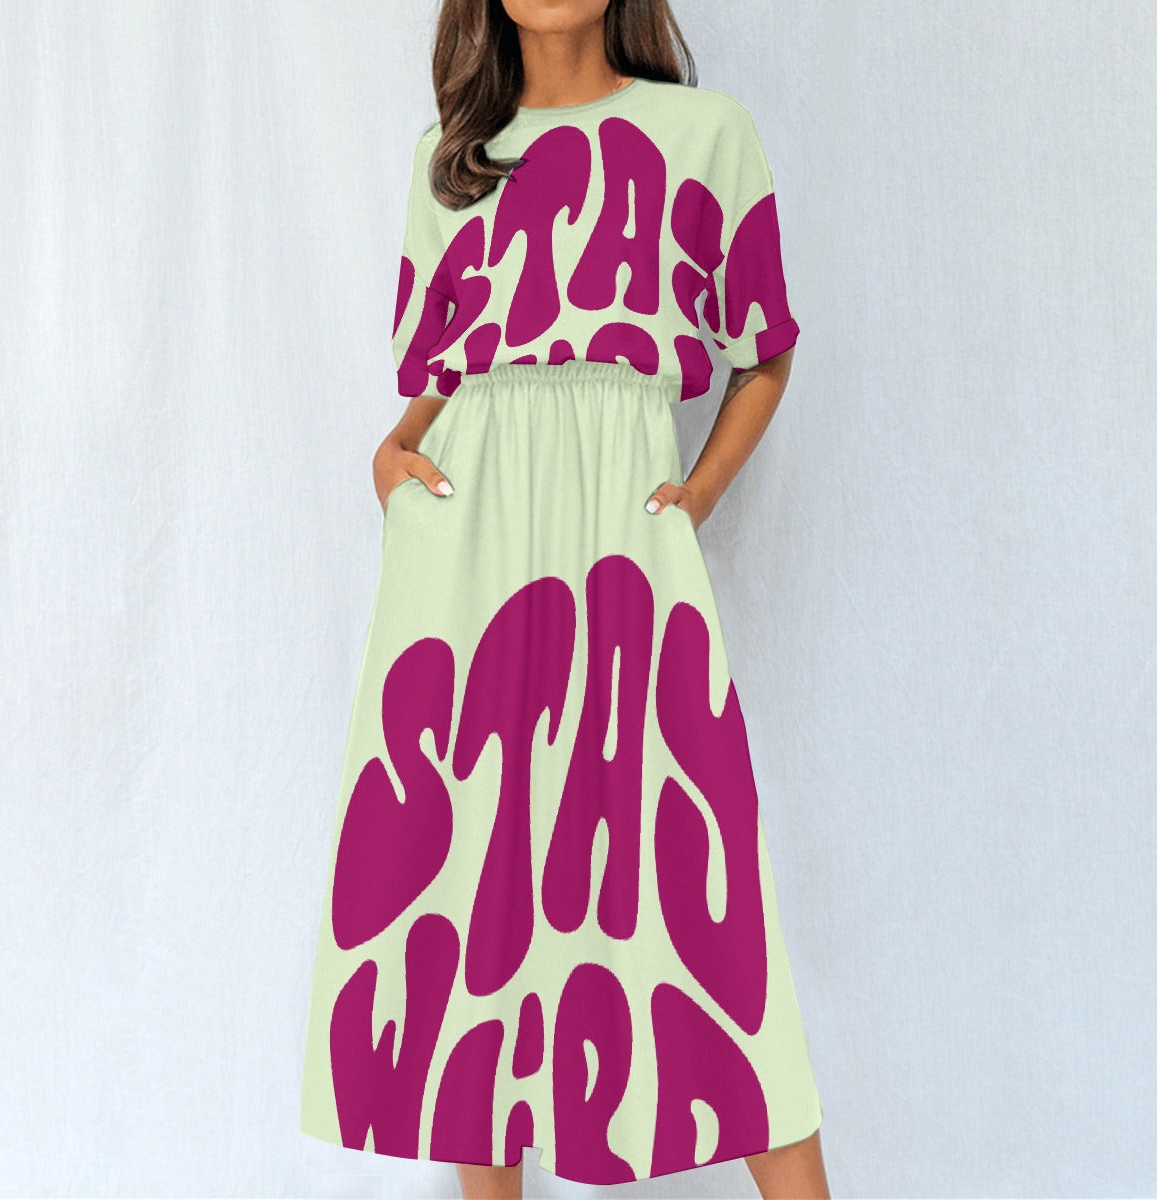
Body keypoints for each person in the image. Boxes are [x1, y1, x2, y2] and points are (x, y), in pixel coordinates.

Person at [299, 2, 832, 1197]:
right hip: (466, 561)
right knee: (472, 889)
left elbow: (766, 347)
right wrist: (393, 455)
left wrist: (697, 495)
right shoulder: (451, 163)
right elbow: (450, 372)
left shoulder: (705, 134)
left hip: (623, 557)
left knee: (712, 928)